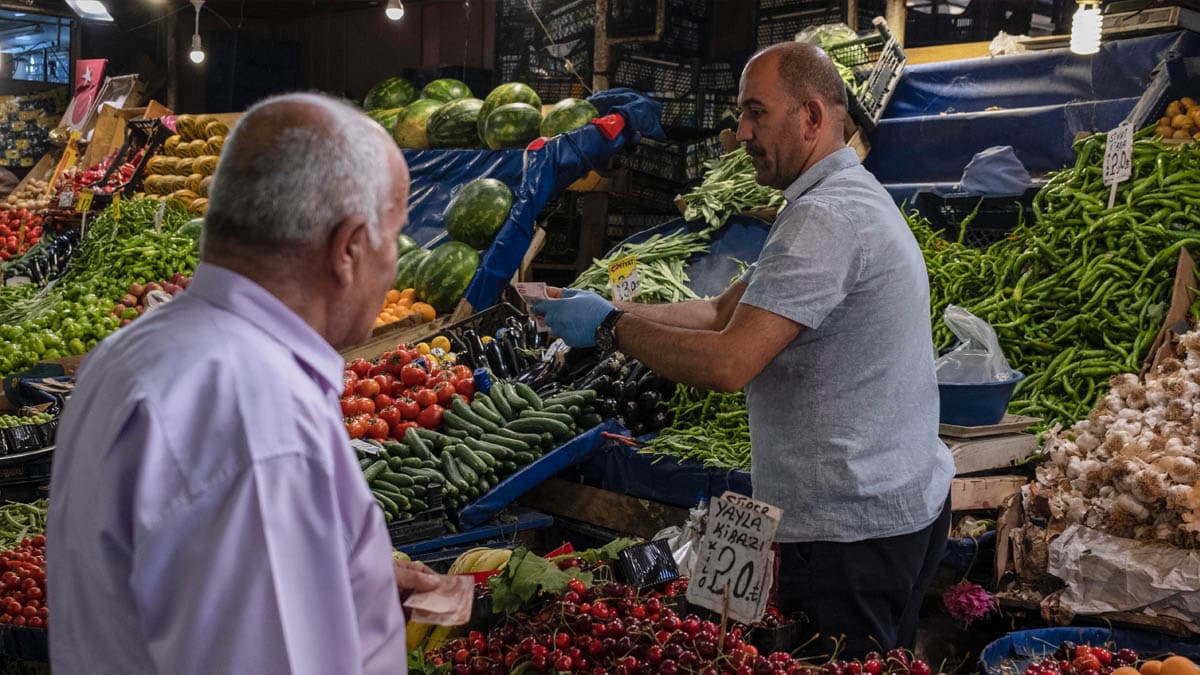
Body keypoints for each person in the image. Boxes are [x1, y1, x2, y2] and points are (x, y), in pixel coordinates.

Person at [534, 43, 955, 656]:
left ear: (811, 116)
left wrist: (609, 331)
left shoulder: (827, 220)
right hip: (894, 507)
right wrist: (602, 306)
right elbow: (718, 311)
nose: (741, 134)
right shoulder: (834, 200)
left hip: (847, 535)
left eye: (756, 113)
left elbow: (730, 361)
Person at [47, 93, 444, 674]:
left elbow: (172, 583)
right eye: (395, 236)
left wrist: (340, 577)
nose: (394, 269)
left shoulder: (125, 354)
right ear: (350, 248)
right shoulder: (262, 421)